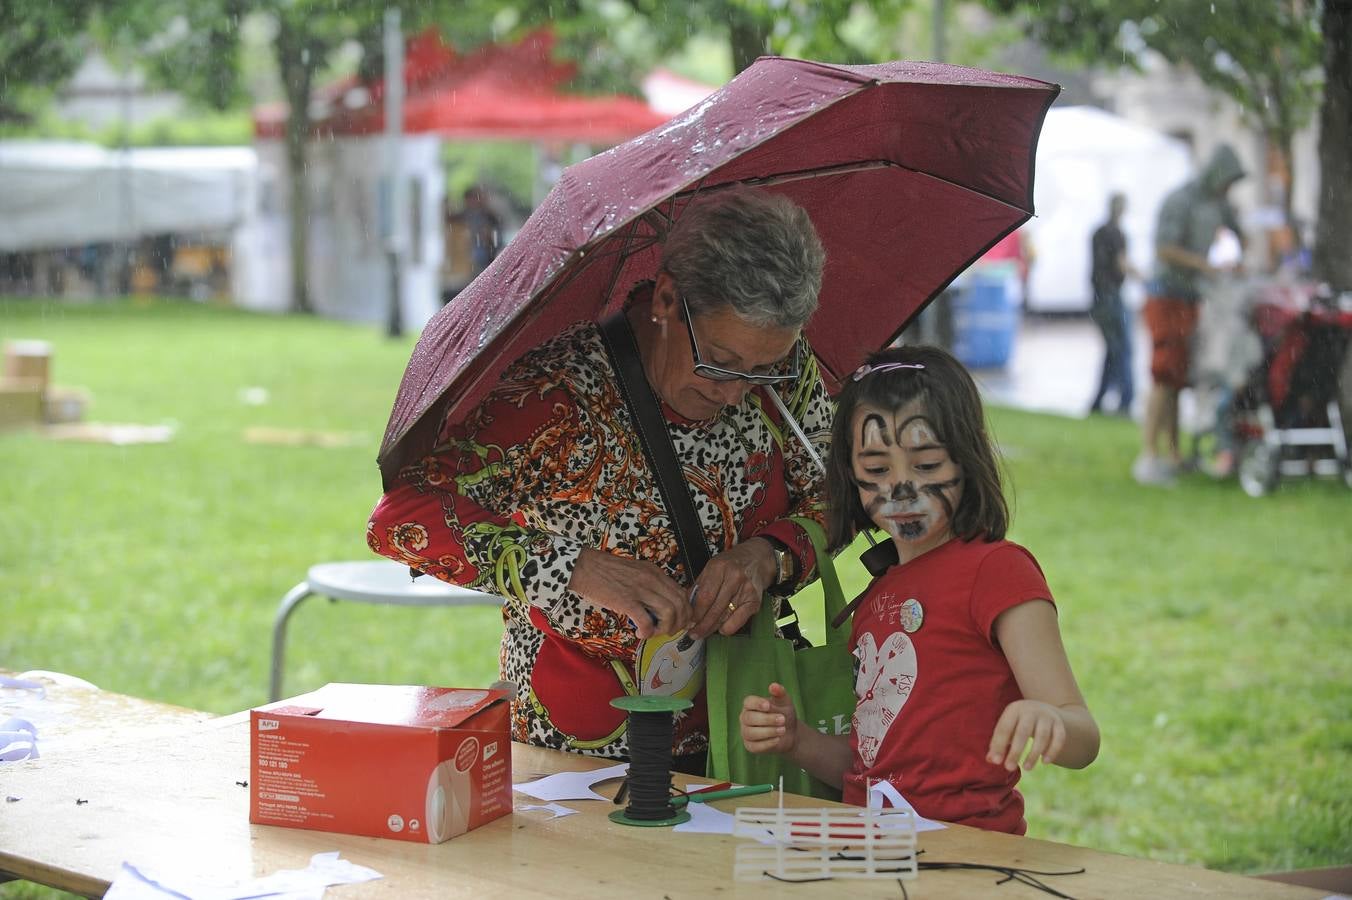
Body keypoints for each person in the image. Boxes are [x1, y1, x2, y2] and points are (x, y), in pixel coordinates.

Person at [368, 187, 832, 771]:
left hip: (747, 736)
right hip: (580, 756)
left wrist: (769, 556)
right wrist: (577, 568)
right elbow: (404, 518)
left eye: (764, 369)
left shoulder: (785, 371)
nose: (738, 392)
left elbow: (839, 494)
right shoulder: (556, 391)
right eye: (720, 361)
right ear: (667, 299)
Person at [739, 345, 1099, 833]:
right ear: (851, 474)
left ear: (967, 460)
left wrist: (1051, 720)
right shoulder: (877, 596)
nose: (902, 489)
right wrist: (797, 739)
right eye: (877, 469)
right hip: (874, 850)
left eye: (926, 465)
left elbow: (1083, 736)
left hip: (967, 852)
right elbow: (872, 768)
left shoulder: (998, 571)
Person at [1134, 144, 1246, 486]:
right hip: (1166, 296)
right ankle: (1149, 455)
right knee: (1164, 374)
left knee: (1178, 377)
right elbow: (1164, 249)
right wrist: (1204, 265)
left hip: (1190, 298)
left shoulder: (1217, 202)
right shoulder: (1180, 200)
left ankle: (1173, 453)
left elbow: (1237, 232)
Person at [1088, 192, 1141, 417]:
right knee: (1123, 351)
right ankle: (1126, 400)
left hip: (1098, 298)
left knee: (1112, 350)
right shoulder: (1117, 234)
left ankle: (1099, 401)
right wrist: (1145, 278)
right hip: (1112, 297)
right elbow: (1121, 263)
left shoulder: (1098, 232)